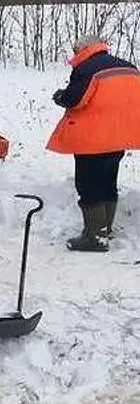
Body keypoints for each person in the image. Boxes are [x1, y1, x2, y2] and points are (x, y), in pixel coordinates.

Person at [47, 37, 140, 252]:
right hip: (120, 136)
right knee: (108, 181)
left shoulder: (87, 68)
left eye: (75, 50)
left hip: (93, 138)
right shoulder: (129, 67)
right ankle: (105, 229)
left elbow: (75, 99)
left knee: (89, 185)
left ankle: (94, 237)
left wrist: (60, 96)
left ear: (83, 50)